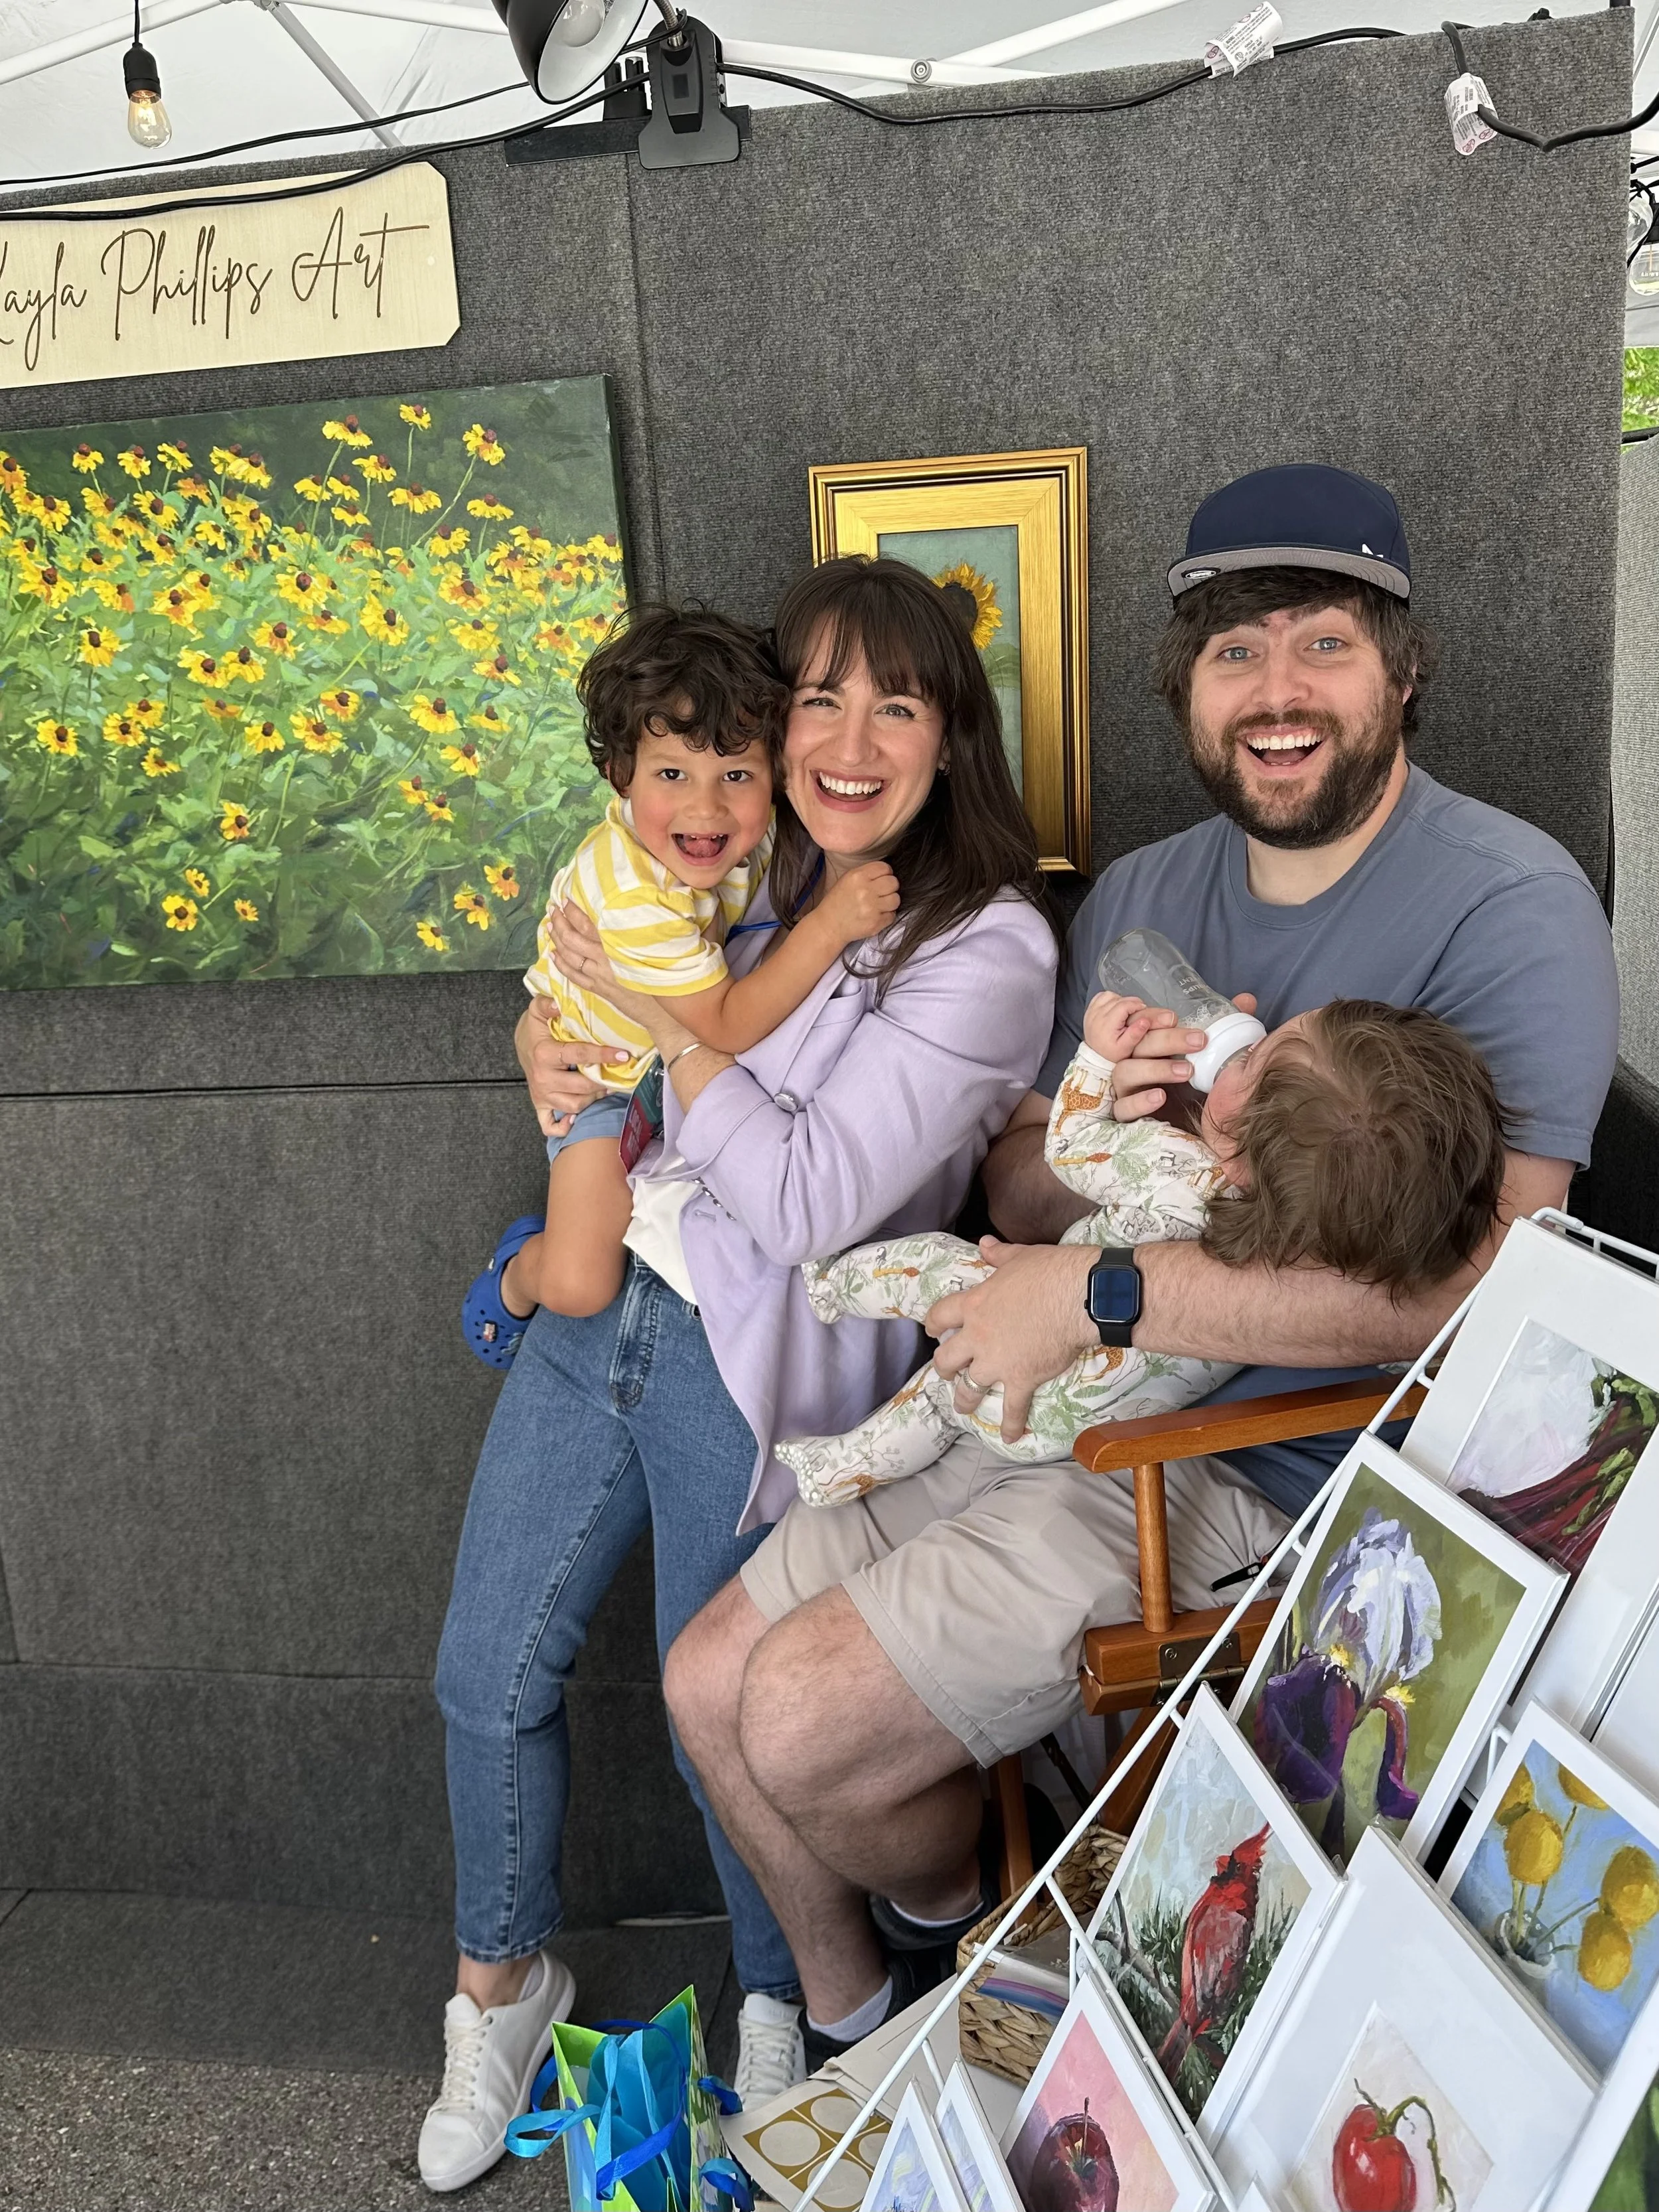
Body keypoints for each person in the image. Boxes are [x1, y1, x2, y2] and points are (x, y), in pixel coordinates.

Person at [663, 463, 1620, 2070]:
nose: (1279, 691)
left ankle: (1004, 1926)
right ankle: (863, 2031)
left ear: (1400, 668)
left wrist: (1120, 1290)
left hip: (1265, 1473)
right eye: (1236, 652)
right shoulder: (1145, 894)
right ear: (1186, 686)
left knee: (804, 1722)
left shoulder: (1509, 898)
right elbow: (1023, 1178)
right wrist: (1107, 1128)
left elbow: (1499, 1287)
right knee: (705, 1688)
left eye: (1323, 642)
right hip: (1043, 1390)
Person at [417, 555, 1055, 2193]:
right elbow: (600, 1011)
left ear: (949, 734)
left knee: (718, 1715)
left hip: (748, 1354)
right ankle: (496, 1987)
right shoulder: (747, 876)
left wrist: (669, 1033)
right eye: (815, 702)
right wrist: (554, 1041)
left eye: (890, 703)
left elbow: (811, 1198)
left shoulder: (985, 947)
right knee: (485, 1674)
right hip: (602, 1305)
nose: (844, 738)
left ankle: (781, 1996)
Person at [779, 993, 1510, 1503]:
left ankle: (830, 1287)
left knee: (939, 1274)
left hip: (1027, 1348)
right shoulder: (1318, 1256)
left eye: (1258, 1059)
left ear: (1234, 1126)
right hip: (1072, 1434)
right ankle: (836, 1470)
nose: (1251, 1042)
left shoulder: (1179, 1174)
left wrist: (1098, 1062)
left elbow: (1068, 1149)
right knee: (943, 1405)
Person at [460, 603, 899, 1347]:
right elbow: (724, 1022)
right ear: (619, 775)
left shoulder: (732, 838)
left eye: (736, 773)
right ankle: (516, 1272)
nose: (706, 807)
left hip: (657, 1074)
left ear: (777, 775)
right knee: (579, 1284)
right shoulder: (634, 893)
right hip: (603, 1088)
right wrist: (833, 924)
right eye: (672, 773)